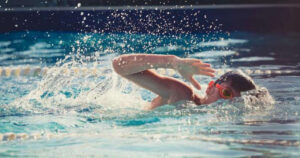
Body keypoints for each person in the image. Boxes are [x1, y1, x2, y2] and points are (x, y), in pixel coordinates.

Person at [112, 54, 256, 110]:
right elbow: (119, 65)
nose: (227, 104)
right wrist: (171, 62)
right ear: (210, 87)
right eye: (226, 93)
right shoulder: (183, 94)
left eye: (235, 102)